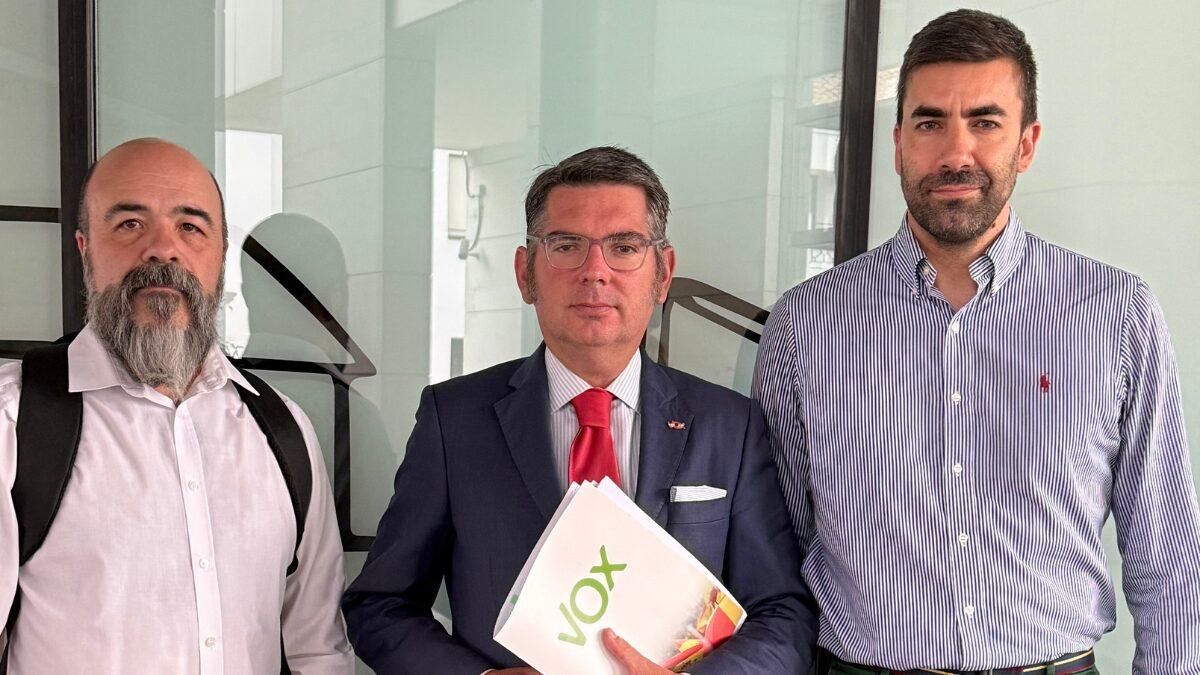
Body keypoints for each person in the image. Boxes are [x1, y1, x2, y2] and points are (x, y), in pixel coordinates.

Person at [754, 9, 1200, 674]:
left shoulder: (1117, 313)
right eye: (930, 123)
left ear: (1027, 143)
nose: (955, 154)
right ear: (899, 143)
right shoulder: (805, 325)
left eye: (985, 122)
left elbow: (1168, 561)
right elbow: (778, 554)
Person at [343, 146, 817, 674]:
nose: (595, 272)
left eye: (624, 247)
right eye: (566, 246)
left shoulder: (730, 425)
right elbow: (380, 605)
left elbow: (784, 615)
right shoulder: (454, 420)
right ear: (525, 273)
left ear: (663, 275)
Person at [0, 138, 354, 673]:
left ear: (219, 255)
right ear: (85, 249)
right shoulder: (14, 422)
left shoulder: (283, 431)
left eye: (190, 227)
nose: (162, 250)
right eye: (130, 224)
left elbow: (317, 650)